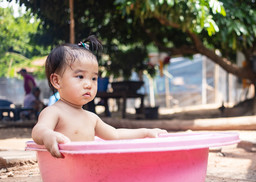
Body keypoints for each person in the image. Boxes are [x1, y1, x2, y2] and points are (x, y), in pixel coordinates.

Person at [32, 35, 167, 158]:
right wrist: (48, 135)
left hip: (88, 175)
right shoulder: (54, 112)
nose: (89, 84)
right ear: (57, 81)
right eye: (80, 76)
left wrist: (145, 132)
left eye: (94, 78)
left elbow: (116, 134)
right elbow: (39, 130)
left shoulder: (92, 118)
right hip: (63, 175)